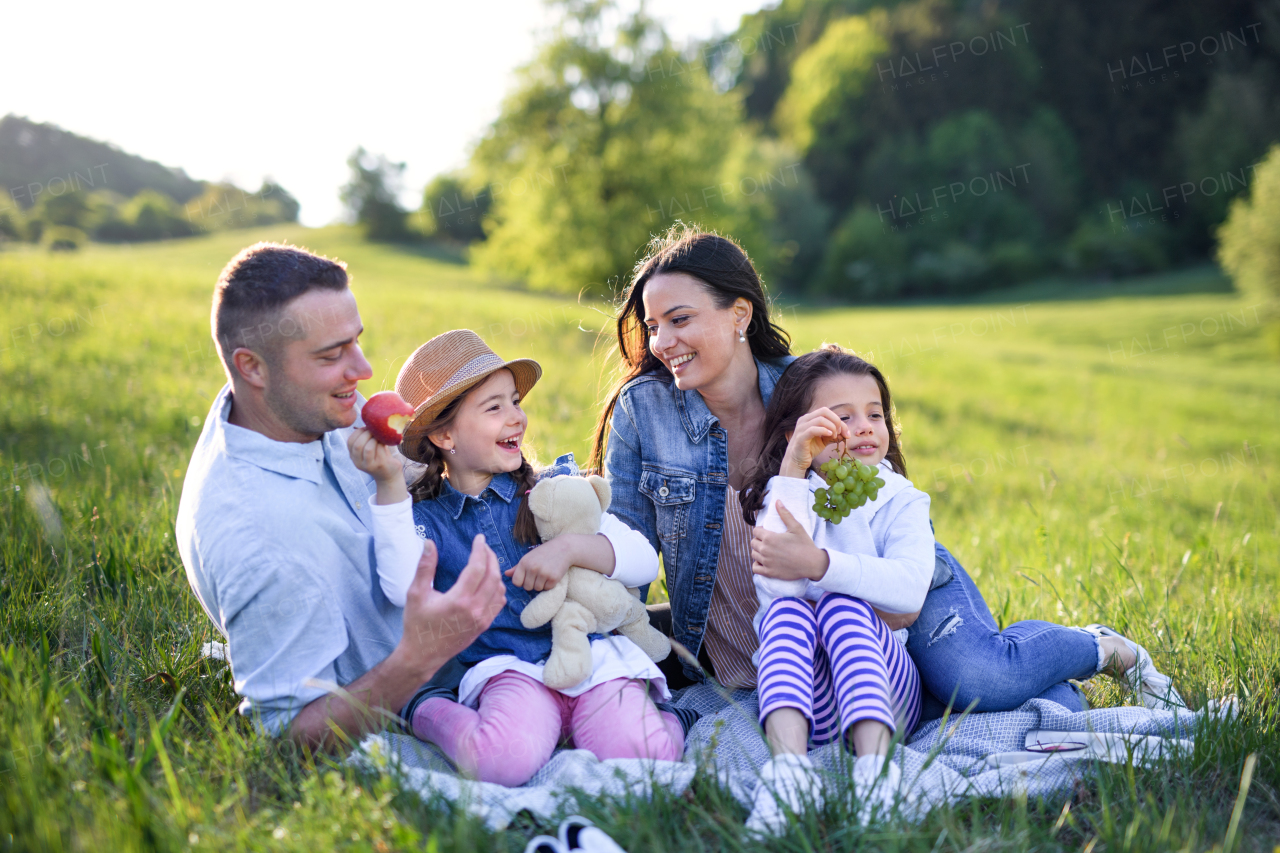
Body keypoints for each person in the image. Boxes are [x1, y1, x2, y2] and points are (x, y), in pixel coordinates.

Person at [589, 225, 1184, 731]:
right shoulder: (646, 410)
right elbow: (627, 549)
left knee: (974, 677)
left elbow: (883, 498)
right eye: (653, 325)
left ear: (739, 313)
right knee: (955, 706)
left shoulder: (810, 386)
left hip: (881, 577)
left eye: (680, 319)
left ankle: (1104, 647)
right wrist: (608, 666)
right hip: (796, 618)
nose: (662, 342)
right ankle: (1046, 689)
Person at [176, 243, 506, 751]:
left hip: (504, 617)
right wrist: (418, 657)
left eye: (356, 342)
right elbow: (289, 738)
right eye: (332, 355)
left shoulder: (298, 409)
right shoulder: (257, 532)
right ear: (253, 368)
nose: (364, 369)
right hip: (450, 687)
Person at [391, 330, 691, 787]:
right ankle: (423, 708)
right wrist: (384, 492)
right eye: (495, 408)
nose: (517, 418)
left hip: (592, 659)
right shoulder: (427, 521)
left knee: (645, 760)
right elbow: (396, 585)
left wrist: (570, 548)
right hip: (509, 668)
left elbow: (643, 562)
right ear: (444, 432)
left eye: (515, 401)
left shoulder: (553, 491)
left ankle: (668, 718)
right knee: (499, 763)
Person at [738, 345, 932, 833]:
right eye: (841, 417)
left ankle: (876, 774)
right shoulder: (785, 495)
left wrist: (820, 566)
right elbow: (775, 597)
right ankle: (788, 772)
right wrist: (793, 472)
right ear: (797, 433)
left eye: (874, 413)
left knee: (843, 608)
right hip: (808, 703)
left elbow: (909, 590)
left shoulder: (901, 500)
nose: (864, 426)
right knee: (787, 615)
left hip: (885, 695)